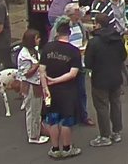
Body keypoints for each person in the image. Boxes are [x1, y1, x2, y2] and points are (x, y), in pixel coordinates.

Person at [84, 12, 126, 147]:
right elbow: (123, 56)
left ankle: (104, 135)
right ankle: (116, 132)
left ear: (98, 24)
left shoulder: (94, 42)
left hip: (100, 78)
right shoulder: (118, 38)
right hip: (116, 76)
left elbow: (88, 63)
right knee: (116, 103)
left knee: (102, 106)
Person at [43, 19, 83, 159]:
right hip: (67, 91)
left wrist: (46, 87)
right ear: (69, 33)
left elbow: (42, 70)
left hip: (50, 92)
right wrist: (56, 81)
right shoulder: (74, 51)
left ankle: (55, 149)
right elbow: (73, 73)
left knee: (52, 120)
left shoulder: (47, 48)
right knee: (66, 120)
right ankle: (67, 148)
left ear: (57, 33)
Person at [17, 28, 50, 144]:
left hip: (37, 84)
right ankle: (33, 136)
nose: (39, 40)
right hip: (30, 86)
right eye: (37, 38)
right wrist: (37, 65)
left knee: (37, 110)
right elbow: (26, 73)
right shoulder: (24, 55)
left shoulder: (34, 50)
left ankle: (37, 131)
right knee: (32, 111)